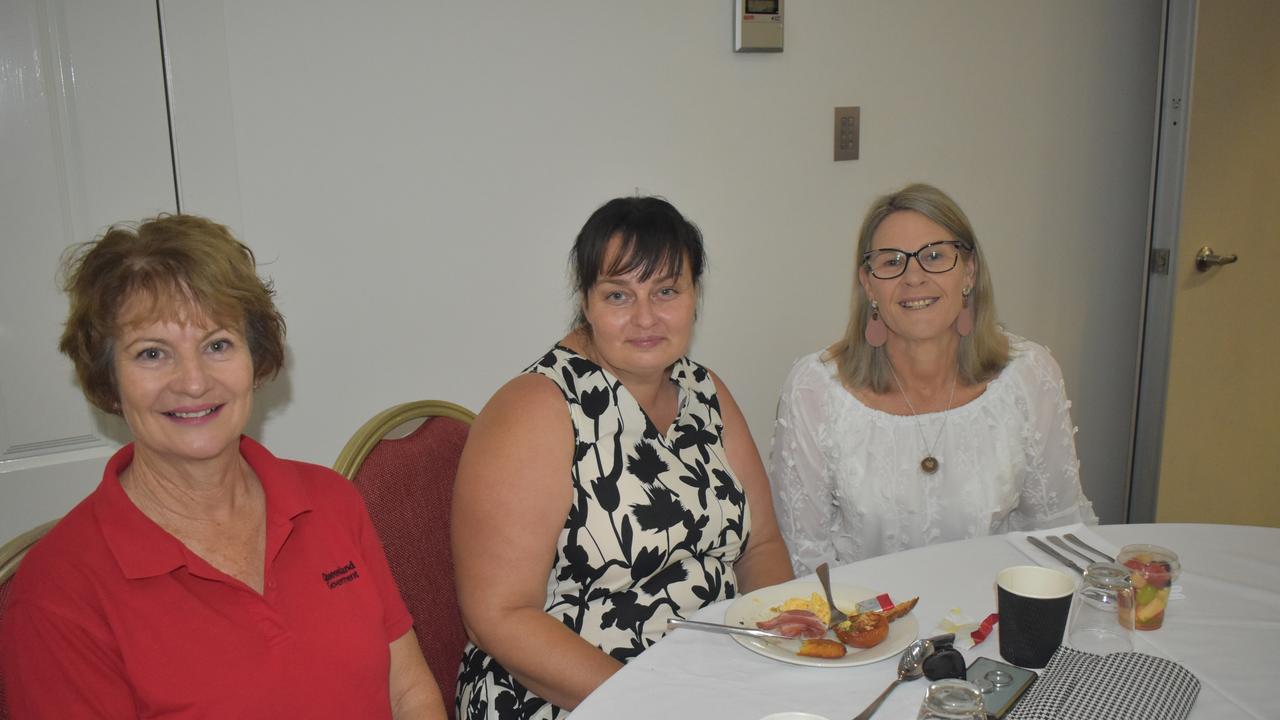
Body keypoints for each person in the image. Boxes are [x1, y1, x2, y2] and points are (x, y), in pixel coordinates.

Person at [0, 215, 447, 719]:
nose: (193, 382)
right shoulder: (58, 592)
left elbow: (408, 693)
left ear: (255, 360)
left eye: (217, 345)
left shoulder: (328, 500)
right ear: (109, 380)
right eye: (152, 353)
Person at [453, 196, 794, 719]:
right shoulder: (534, 409)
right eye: (619, 295)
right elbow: (497, 616)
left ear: (694, 296)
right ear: (586, 302)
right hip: (567, 694)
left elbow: (760, 546)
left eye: (666, 291)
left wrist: (774, 650)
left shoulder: (705, 391)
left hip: (710, 682)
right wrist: (654, 703)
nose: (645, 318)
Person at [769, 183, 1097, 575]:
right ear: (869, 284)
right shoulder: (815, 390)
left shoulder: (1029, 376)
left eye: (935, 256)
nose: (914, 278)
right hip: (867, 627)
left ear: (969, 273)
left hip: (994, 620)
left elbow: (1057, 533)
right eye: (891, 262)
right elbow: (805, 558)